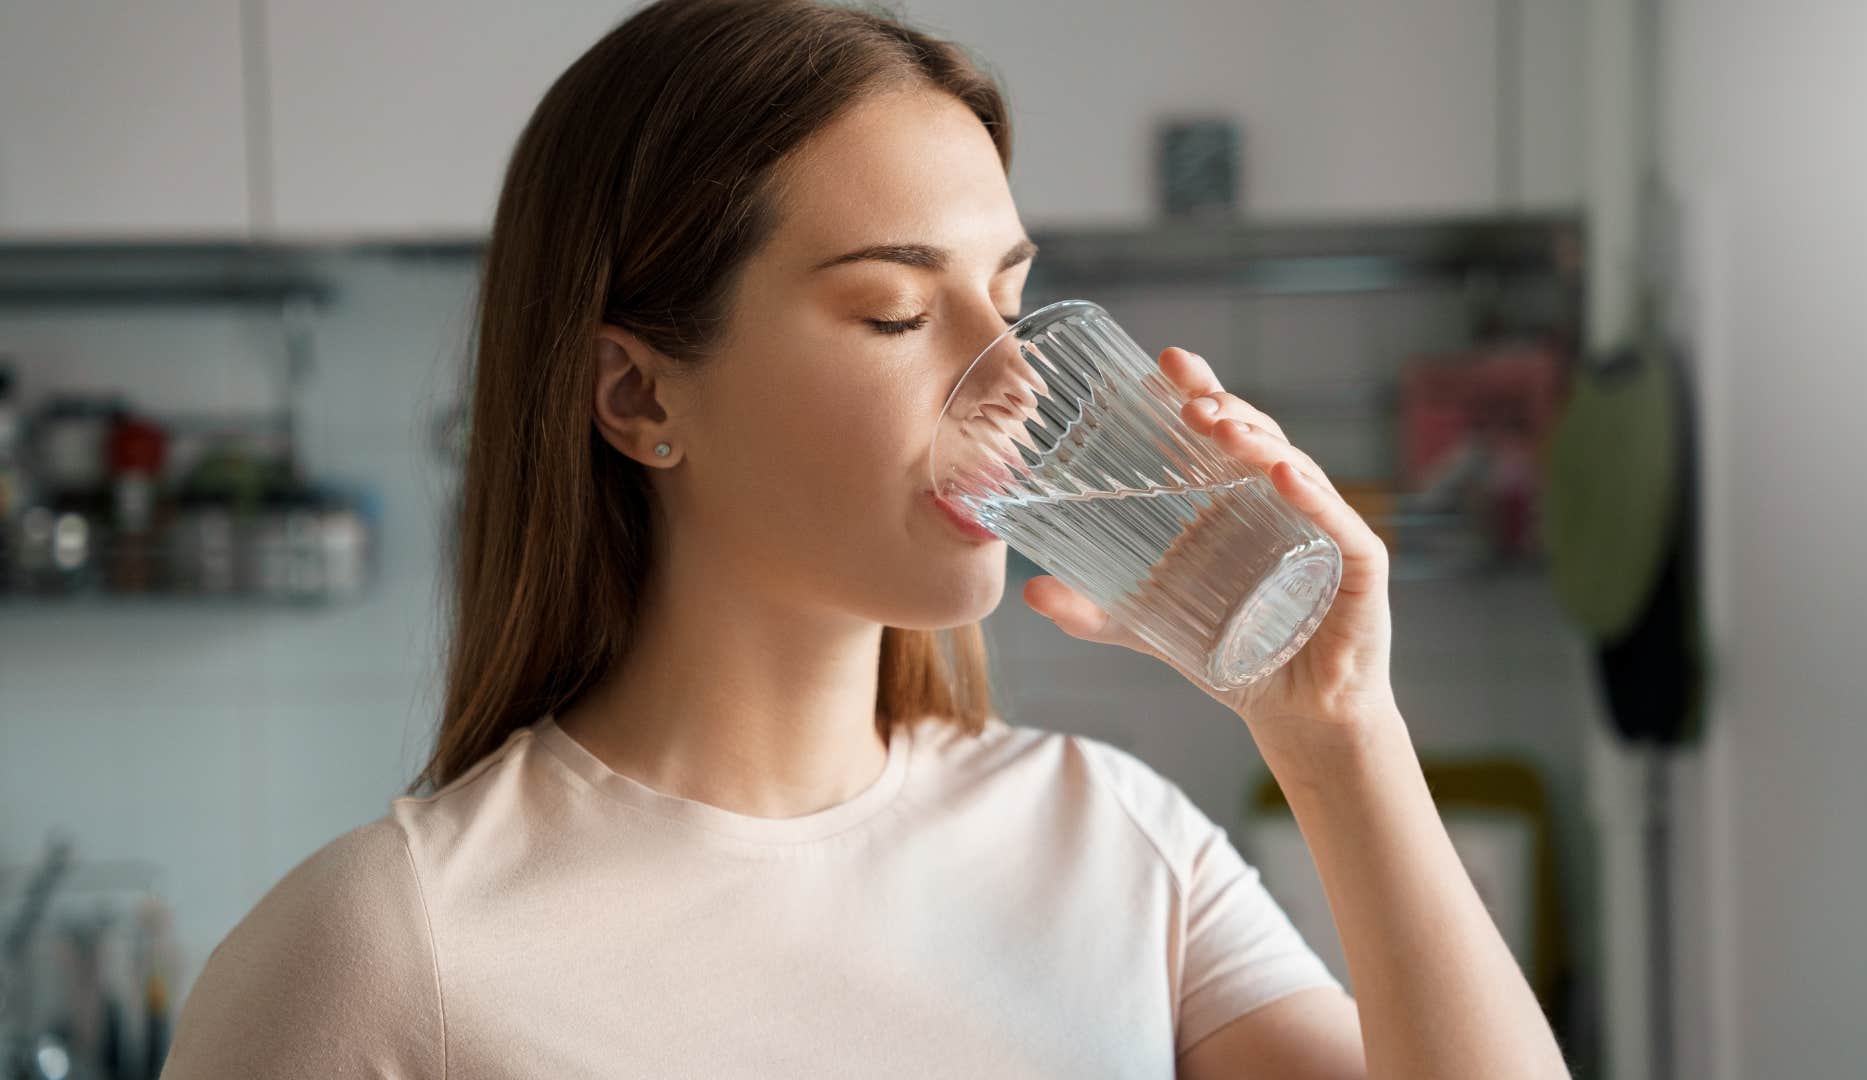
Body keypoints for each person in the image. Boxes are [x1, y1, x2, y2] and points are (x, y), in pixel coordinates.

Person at [159, 1, 1569, 1076]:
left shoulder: (1118, 847)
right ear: (641, 395)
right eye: (898, 312)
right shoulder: (394, 948)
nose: (1010, 378)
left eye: (1009, 295)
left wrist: (1339, 734)